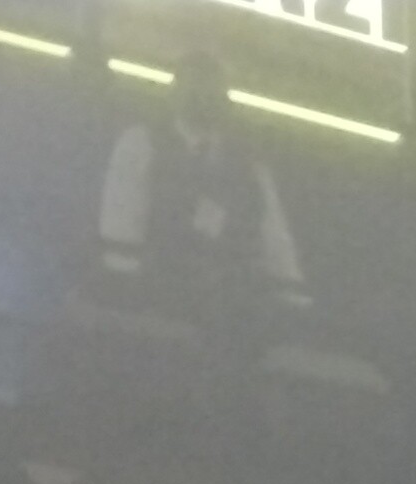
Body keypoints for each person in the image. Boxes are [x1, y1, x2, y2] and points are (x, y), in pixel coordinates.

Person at [98, 45, 311, 320]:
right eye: (194, 83)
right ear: (175, 92)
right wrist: (126, 294)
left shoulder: (250, 167)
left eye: (212, 86)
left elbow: (276, 242)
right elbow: (120, 222)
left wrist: (296, 305)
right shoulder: (141, 143)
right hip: (155, 301)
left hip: (231, 311)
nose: (203, 94)